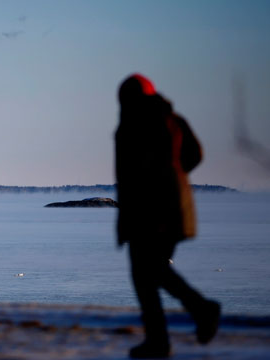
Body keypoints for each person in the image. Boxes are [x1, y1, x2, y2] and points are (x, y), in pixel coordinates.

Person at [115, 74, 221, 358]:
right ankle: (160, 338)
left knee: (148, 272)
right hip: (171, 209)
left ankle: (198, 312)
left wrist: (160, 187)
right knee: (150, 273)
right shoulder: (171, 118)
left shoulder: (135, 124)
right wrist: (177, 179)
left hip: (149, 212)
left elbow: (133, 175)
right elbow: (195, 155)